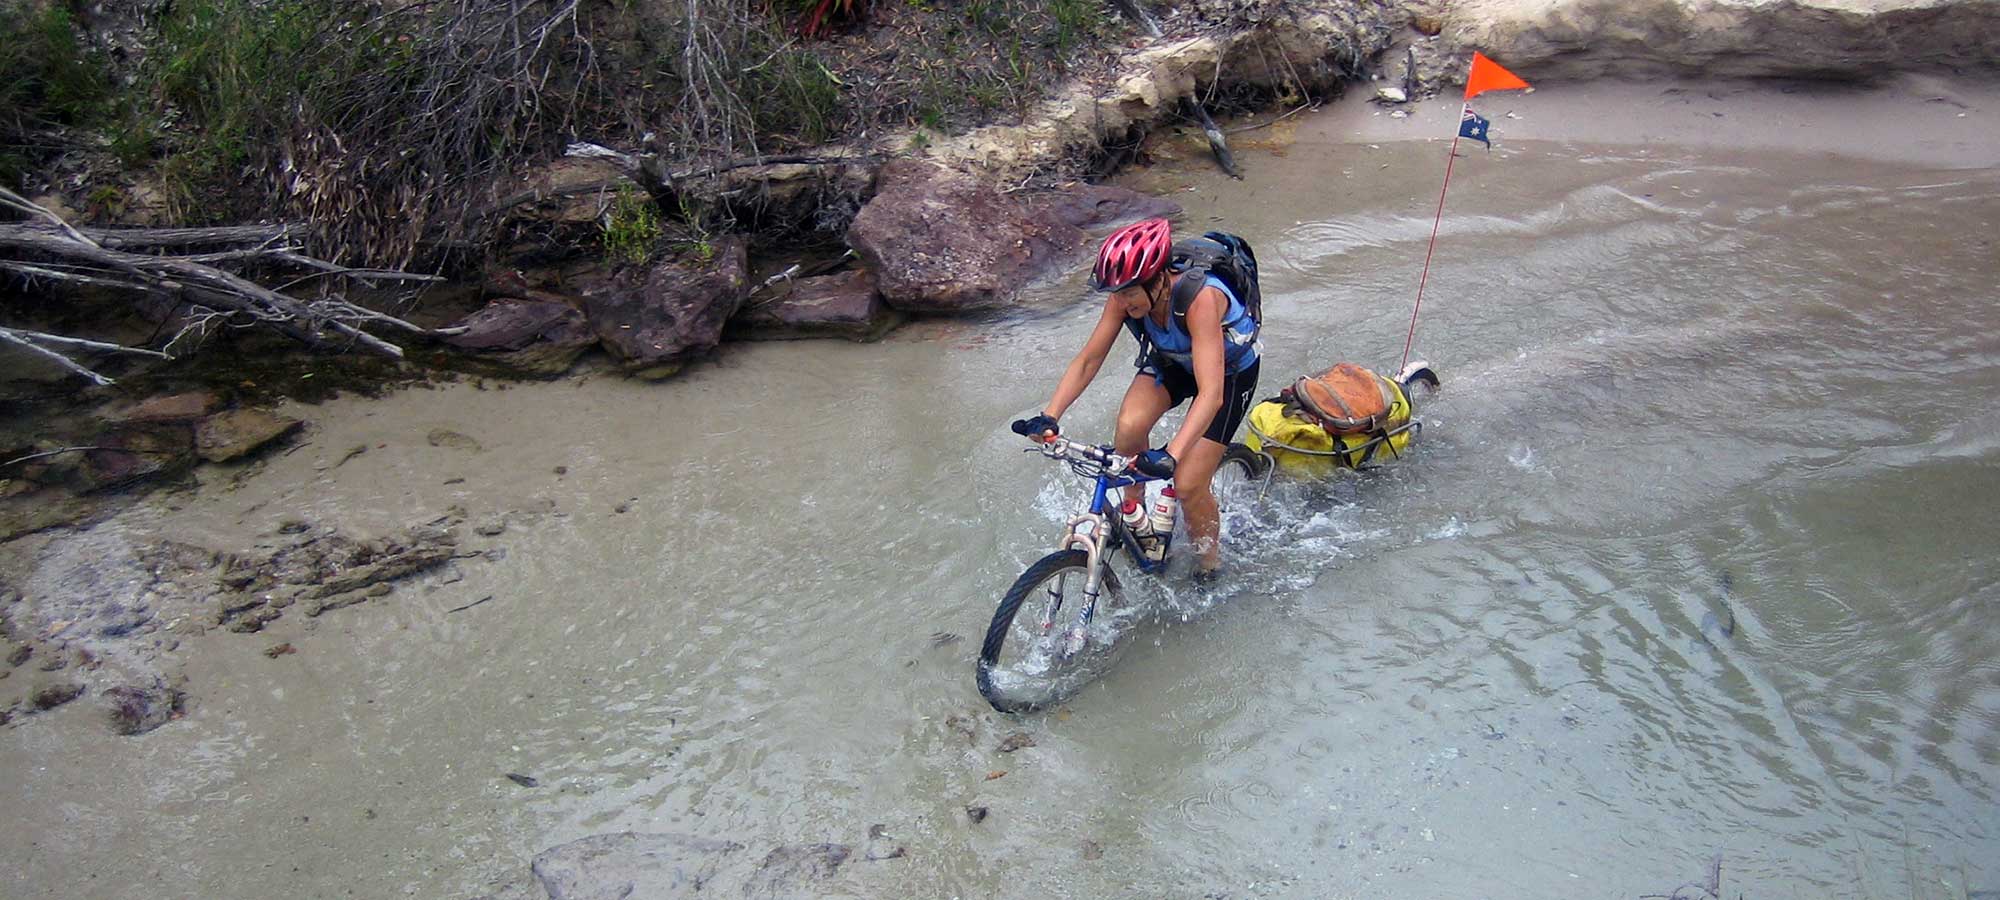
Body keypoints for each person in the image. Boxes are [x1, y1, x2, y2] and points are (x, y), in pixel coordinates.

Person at [1012, 217, 1262, 581]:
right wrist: (1050, 415)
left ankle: (1211, 564)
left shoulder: (1200, 299)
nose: (1122, 300)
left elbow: (1211, 395)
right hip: (1174, 360)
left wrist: (1171, 455)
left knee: (1189, 482)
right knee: (1129, 425)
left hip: (1229, 373)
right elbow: (1088, 360)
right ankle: (1137, 517)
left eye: (1130, 291)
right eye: (1117, 292)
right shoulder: (1123, 298)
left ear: (1159, 279)